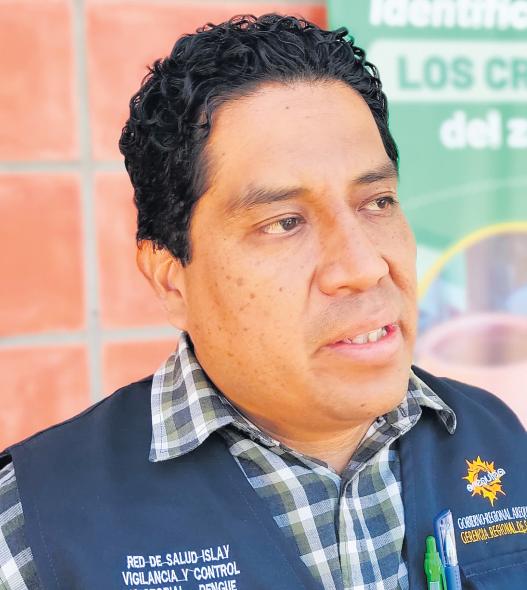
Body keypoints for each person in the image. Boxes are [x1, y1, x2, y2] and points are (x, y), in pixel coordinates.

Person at [0, 14, 525, 590]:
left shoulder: (501, 441)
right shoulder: (34, 534)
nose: (364, 267)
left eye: (377, 202)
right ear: (171, 280)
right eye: (284, 222)